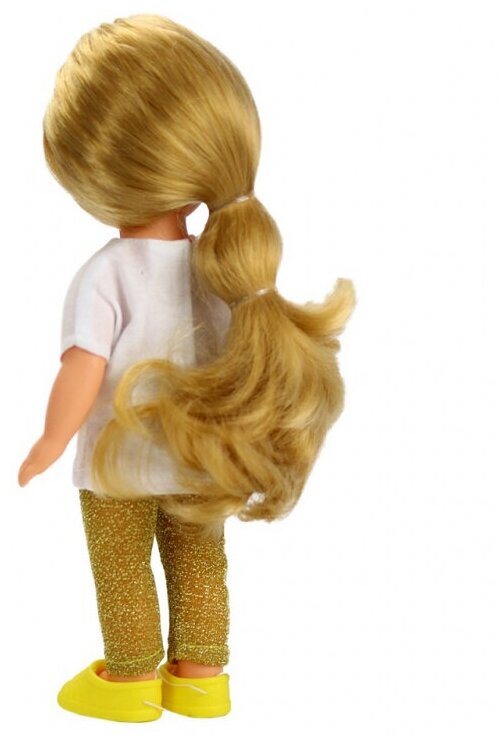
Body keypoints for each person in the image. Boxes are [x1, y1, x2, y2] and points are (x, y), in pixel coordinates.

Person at [18, 14, 355, 723]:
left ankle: (132, 679)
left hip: (116, 465)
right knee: (200, 563)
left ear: (102, 169)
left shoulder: (107, 273)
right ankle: (202, 679)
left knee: (122, 570)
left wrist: (51, 441)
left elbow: (82, 370)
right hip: (200, 456)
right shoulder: (226, 268)